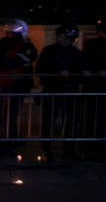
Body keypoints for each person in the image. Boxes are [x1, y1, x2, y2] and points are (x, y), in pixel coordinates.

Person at [0, 19, 38, 158]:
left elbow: (14, 63)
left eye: (13, 33)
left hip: (18, 86)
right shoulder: (3, 42)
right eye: (8, 33)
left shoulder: (28, 48)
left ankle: (8, 145)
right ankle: (12, 140)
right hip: (2, 85)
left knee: (8, 115)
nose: (9, 35)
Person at [35, 23, 83, 162]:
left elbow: (80, 71)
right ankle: (46, 148)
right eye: (60, 37)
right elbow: (40, 69)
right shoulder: (48, 51)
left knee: (71, 121)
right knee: (48, 120)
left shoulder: (76, 54)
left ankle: (69, 148)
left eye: (66, 38)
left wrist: (72, 75)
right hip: (52, 90)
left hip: (70, 91)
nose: (62, 40)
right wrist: (56, 74)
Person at [79, 19, 106, 160]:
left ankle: (99, 148)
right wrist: (89, 71)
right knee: (89, 118)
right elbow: (87, 60)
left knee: (103, 120)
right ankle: (86, 148)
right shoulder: (93, 44)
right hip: (93, 86)